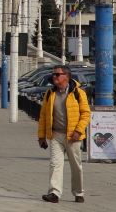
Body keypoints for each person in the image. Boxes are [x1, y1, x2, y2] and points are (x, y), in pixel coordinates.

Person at [37, 65, 91, 203]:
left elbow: (86, 114)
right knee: (55, 164)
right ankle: (54, 193)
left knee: (76, 166)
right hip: (56, 135)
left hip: (73, 136)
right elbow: (43, 116)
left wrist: (78, 131)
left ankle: (78, 193)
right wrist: (41, 136)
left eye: (57, 74)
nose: (54, 77)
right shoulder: (50, 93)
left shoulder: (78, 93)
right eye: (53, 74)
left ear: (66, 76)